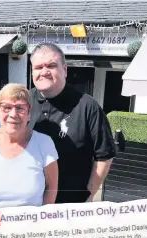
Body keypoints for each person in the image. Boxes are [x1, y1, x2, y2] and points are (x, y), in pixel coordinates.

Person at [28, 43, 116, 204]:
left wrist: (89, 194)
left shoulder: (88, 106)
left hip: (70, 205)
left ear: (65, 70)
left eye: (51, 66)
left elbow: (104, 155)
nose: (44, 72)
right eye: (38, 67)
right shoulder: (22, 103)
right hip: (29, 204)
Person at [0, 83, 58, 211]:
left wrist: (44, 221)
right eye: (6, 107)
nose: (13, 114)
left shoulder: (44, 143)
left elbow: (52, 187)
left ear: (29, 113)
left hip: (32, 226)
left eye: (20, 108)